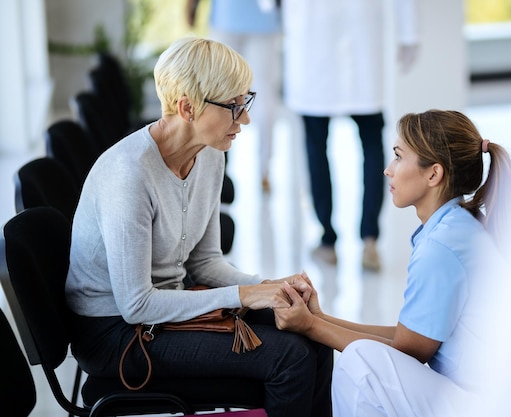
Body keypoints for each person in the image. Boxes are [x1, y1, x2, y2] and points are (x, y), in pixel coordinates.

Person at [64, 37, 333, 417]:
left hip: (166, 307)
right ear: (187, 107)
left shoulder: (209, 156)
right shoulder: (128, 175)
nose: (246, 119)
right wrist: (244, 295)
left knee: (311, 336)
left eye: (246, 102)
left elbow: (205, 262)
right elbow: (136, 305)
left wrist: (271, 289)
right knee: (289, 358)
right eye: (234, 107)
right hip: (116, 334)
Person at [274, 109, 511, 416]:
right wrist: (320, 319)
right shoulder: (458, 225)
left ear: (434, 174)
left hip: (488, 404)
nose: (389, 170)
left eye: (399, 157)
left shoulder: (441, 246)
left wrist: (310, 326)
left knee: (359, 363)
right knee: (364, 356)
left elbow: (407, 350)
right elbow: (407, 336)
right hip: (488, 395)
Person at [281, 0, 420, 271]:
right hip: (361, 44)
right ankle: (370, 240)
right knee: (371, 148)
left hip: (314, 41)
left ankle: (327, 241)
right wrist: (409, 33)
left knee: (316, 149)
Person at [187, 0, 282, 193]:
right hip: (264, 16)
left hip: (227, 15)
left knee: (217, 93)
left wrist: (191, 7)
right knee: (264, 94)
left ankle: (214, 167)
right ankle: (265, 170)